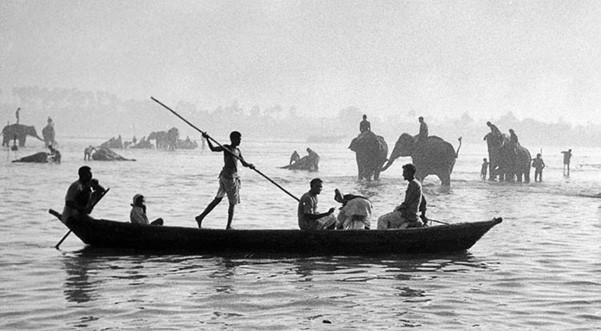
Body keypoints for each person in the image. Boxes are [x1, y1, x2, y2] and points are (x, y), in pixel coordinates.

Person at [195, 131, 254, 229]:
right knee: (232, 203)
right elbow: (213, 149)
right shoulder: (227, 148)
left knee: (217, 199)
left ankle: (200, 217)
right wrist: (207, 139)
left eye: (240, 138)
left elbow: (244, 163)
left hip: (225, 177)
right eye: (238, 138)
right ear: (233, 139)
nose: (240, 140)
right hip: (229, 178)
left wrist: (250, 165)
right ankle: (228, 226)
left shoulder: (237, 151)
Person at [377, 163, 427, 229]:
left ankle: (380, 237)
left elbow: (406, 204)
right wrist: (423, 215)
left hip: (408, 215)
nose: (403, 174)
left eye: (404, 172)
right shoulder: (417, 183)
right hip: (412, 214)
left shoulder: (412, 184)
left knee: (382, 219)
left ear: (410, 173)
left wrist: (398, 208)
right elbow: (423, 201)